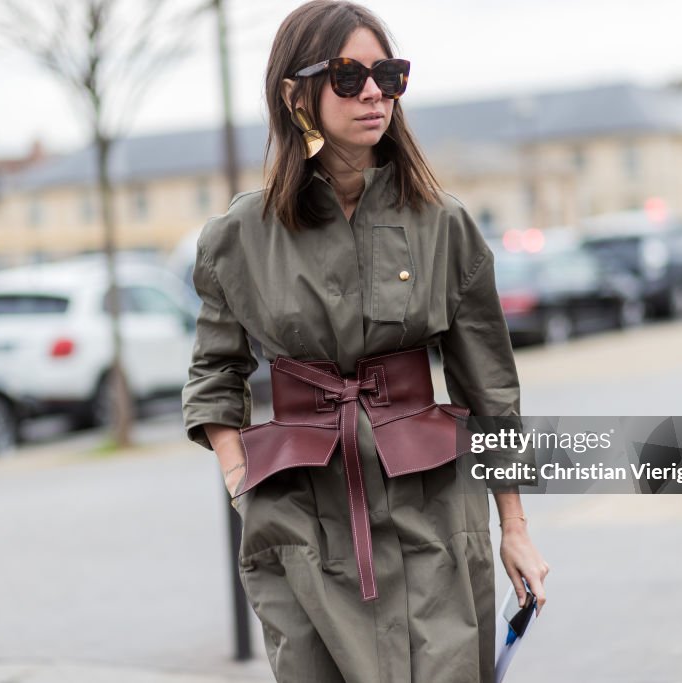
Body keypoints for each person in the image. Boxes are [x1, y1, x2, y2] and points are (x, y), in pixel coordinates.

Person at [181, 1, 549, 680]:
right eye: (348, 76)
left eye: (388, 74)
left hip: (434, 507)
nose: (374, 91)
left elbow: (490, 388)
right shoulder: (239, 237)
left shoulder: (444, 225)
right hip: (300, 516)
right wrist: (241, 481)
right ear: (297, 94)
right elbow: (214, 373)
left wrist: (515, 528)